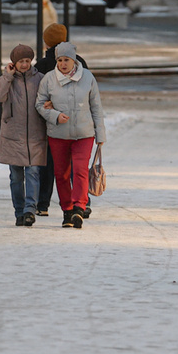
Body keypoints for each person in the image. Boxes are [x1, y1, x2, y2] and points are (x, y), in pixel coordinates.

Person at [35, 41, 105, 229]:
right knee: (61, 174)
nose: (63, 64)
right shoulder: (49, 79)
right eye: (59, 60)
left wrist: (100, 134)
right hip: (58, 134)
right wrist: (55, 116)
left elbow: (96, 107)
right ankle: (67, 210)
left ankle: (79, 208)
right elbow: (39, 104)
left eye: (66, 60)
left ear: (74, 60)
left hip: (84, 134)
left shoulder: (87, 77)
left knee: (80, 170)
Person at [34, 23, 88, 215]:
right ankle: (82, 202)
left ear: (46, 42)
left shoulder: (42, 65)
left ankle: (42, 204)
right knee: (75, 163)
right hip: (75, 120)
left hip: (50, 121)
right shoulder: (79, 62)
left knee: (48, 163)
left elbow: (37, 93)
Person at [0, 43, 48, 226]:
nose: (24, 64)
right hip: (13, 135)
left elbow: (49, 98)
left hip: (35, 135)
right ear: (13, 63)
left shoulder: (40, 79)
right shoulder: (6, 79)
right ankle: (19, 211)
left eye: (27, 61)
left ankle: (30, 210)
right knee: (16, 177)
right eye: (21, 61)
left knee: (33, 172)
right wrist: (7, 76)